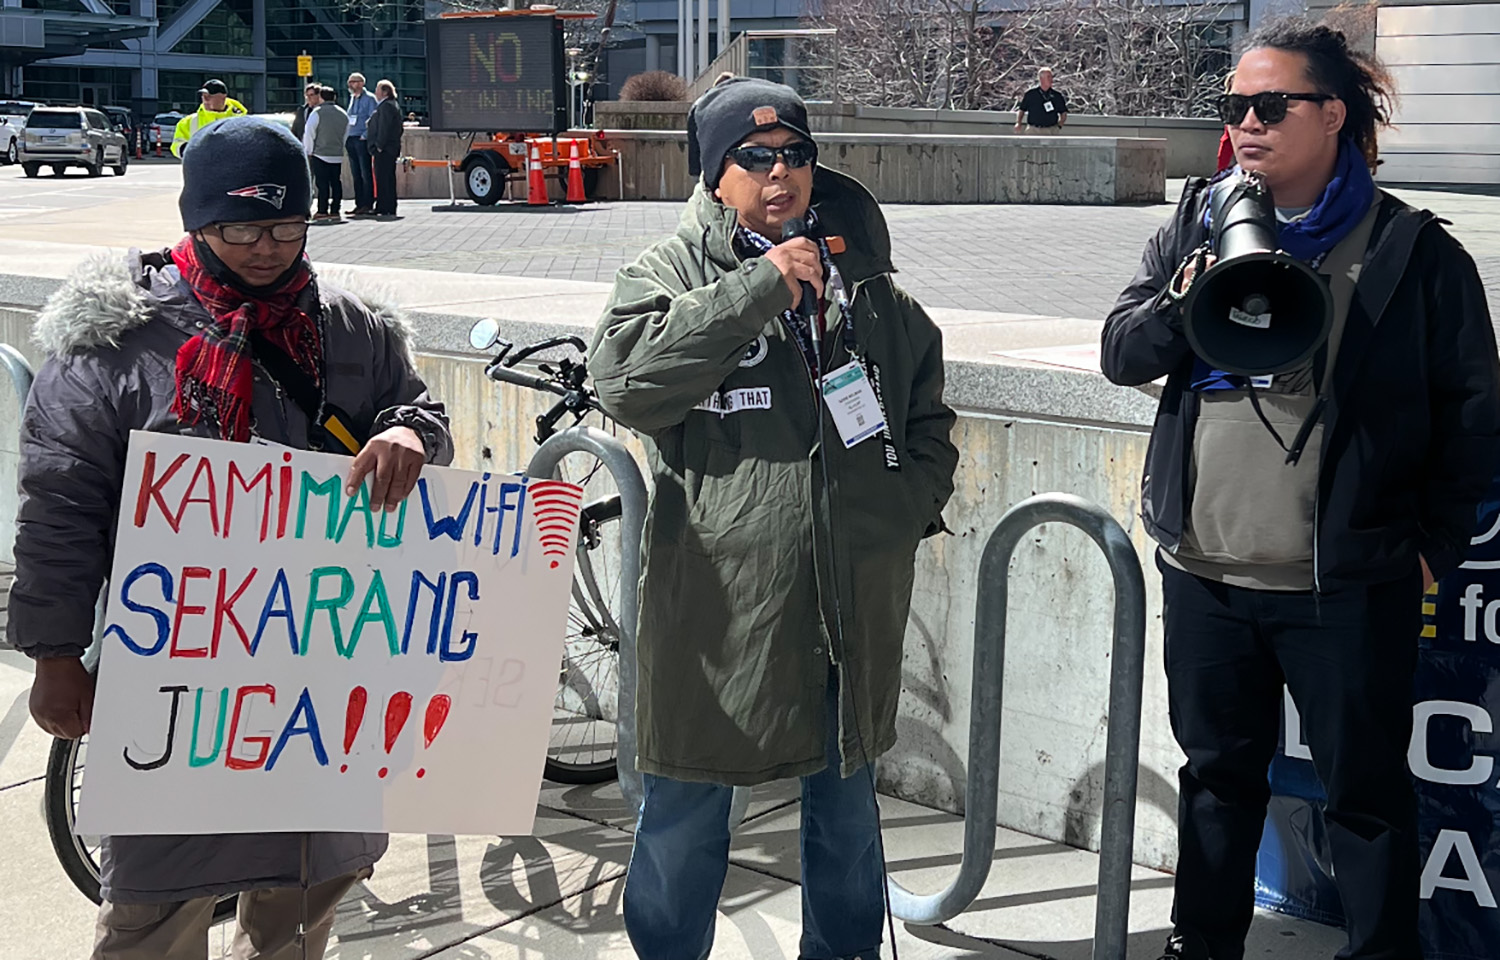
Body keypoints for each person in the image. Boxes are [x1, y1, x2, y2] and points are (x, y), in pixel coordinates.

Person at [1100, 19, 1500, 960]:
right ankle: (1203, 945)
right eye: (1234, 106)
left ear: (1333, 115)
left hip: (1346, 585)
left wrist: (1430, 548)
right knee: (1216, 780)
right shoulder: (1198, 220)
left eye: (1270, 105)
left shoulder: (1413, 253)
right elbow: (1122, 351)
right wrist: (1182, 302)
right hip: (1206, 576)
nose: (1245, 124)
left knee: (1365, 797)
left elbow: (1476, 419)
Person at [14, 115, 453, 960]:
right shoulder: (117, 339)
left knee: (306, 891)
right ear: (195, 222)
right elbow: (59, 508)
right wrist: (57, 654)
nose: (267, 248)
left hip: (324, 669)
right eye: (241, 228)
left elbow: (420, 409)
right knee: (157, 904)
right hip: (177, 671)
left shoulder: (352, 327)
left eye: (288, 226)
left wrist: (408, 435)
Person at [589, 75, 958, 960]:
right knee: (685, 816)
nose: (780, 173)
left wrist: (902, 512)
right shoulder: (668, 273)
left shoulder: (859, 276)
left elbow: (927, 414)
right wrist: (756, 288)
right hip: (722, 614)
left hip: (849, 604)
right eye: (754, 159)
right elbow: (627, 384)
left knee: (844, 821)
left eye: (796, 154)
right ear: (716, 174)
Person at [304, 84, 351, 221]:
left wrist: (309, 150)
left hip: (320, 153)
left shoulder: (317, 112)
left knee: (322, 183)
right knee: (336, 182)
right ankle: (335, 209)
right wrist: (340, 147)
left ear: (321, 97)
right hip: (336, 154)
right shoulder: (343, 113)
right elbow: (345, 134)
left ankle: (322, 210)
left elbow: (309, 133)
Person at [171, 78, 248, 158]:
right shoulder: (188, 122)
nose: (205, 99)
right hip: (200, 168)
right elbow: (176, 145)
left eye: (209, 96)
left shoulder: (241, 120)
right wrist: (189, 151)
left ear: (223, 98)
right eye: (203, 96)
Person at [365, 79, 403, 218]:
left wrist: (379, 146)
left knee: (384, 178)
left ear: (385, 92)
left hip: (385, 150)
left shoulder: (386, 106)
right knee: (386, 178)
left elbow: (384, 128)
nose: (375, 92)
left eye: (378, 89)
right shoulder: (388, 105)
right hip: (389, 149)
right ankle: (387, 206)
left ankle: (384, 206)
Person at [345, 72, 378, 216]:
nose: (351, 84)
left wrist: (365, 136)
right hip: (350, 138)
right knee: (356, 173)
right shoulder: (352, 98)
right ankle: (358, 204)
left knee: (365, 173)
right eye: (350, 82)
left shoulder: (370, 99)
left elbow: (373, 119)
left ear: (362, 83)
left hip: (361, 139)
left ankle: (368, 203)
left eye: (354, 82)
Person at [1014, 68, 1068, 133]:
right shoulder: (1031, 94)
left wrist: (1058, 126)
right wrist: (1018, 123)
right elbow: (1022, 110)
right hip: (1033, 129)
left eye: (1051, 77)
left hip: (1051, 129)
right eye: (1048, 77)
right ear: (1041, 79)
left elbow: (1063, 113)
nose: (1051, 79)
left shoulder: (1057, 95)